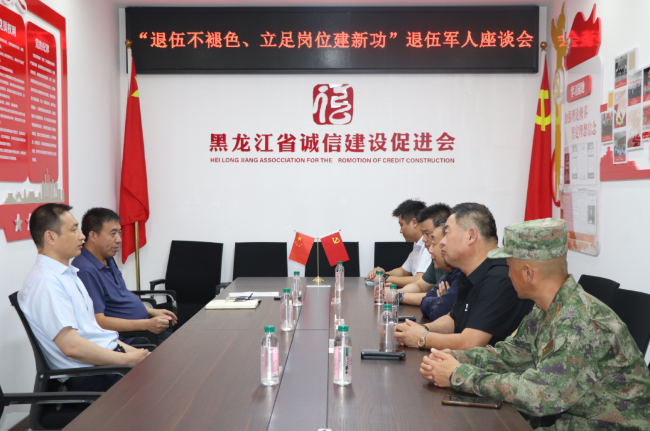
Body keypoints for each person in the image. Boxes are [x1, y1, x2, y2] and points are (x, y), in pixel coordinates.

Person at [420, 218, 650, 430]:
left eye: (509, 266)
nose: (508, 274)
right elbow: (512, 355)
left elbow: (539, 395)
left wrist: (460, 375)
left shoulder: (580, 322)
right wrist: (456, 358)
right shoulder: (546, 309)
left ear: (528, 273)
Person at [18, 204, 149, 392]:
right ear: (50, 237)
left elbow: (95, 331)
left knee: (160, 366)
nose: (82, 236)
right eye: (74, 230)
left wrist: (132, 353)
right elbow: (71, 347)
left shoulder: (68, 273)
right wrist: (126, 360)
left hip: (106, 361)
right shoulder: (46, 282)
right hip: (91, 375)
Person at [394, 203, 534, 351]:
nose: (442, 242)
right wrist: (421, 329)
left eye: (447, 234)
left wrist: (422, 338)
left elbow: (470, 343)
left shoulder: (500, 277)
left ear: (471, 236)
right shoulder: (471, 273)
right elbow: (453, 320)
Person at [72, 208, 177, 343]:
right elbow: (98, 321)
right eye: (113, 234)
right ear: (93, 236)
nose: (119, 239)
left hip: (144, 329)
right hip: (129, 339)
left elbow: (120, 297)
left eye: (119, 233)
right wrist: (146, 325)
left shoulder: (107, 257)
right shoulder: (85, 270)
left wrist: (151, 311)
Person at [393, 203, 452, 302]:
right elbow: (419, 285)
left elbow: (434, 297)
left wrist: (398, 296)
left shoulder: (454, 265)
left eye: (427, 234)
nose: (423, 239)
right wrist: (395, 293)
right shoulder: (436, 259)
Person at [366, 199, 429, 287]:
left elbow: (419, 279)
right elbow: (403, 271)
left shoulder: (428, 245)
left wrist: (384, 278)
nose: (400, 231)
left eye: (401, 225)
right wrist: (382, 273)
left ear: (414, 223)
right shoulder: (417, 244)